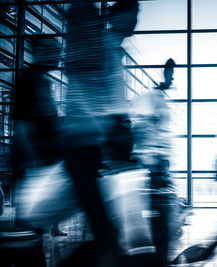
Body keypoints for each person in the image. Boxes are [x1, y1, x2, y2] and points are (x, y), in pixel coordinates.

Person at [63, 1, 139, 265]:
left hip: (101, 141)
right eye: (132, 14)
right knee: (110, 231)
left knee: (109, 229)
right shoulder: (102, 45)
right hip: (96, 142)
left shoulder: (111, 48)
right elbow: (90, 96)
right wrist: (111, 136)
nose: (135, 21)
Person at [12, 35, 62, 267]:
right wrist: (33, 164)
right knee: (29, 226)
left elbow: (47, 124)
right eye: (51, 49)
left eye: (58, 49)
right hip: (34, 166)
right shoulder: (29, 81)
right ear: (38, 51)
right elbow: (21, 125)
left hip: (41, 165)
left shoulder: (42, 82)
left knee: (33, 227)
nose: (57, 54)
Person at [133, 58, 176, 267]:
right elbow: (144, 129)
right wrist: (154, 160)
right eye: (171, 73)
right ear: (164, 73)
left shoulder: (159, 98)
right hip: (153, 165)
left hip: (157, 164)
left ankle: (157, 255)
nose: (173, 77)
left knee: (158, 212)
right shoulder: (151, 97)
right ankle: (155, 257)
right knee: (156, 215)